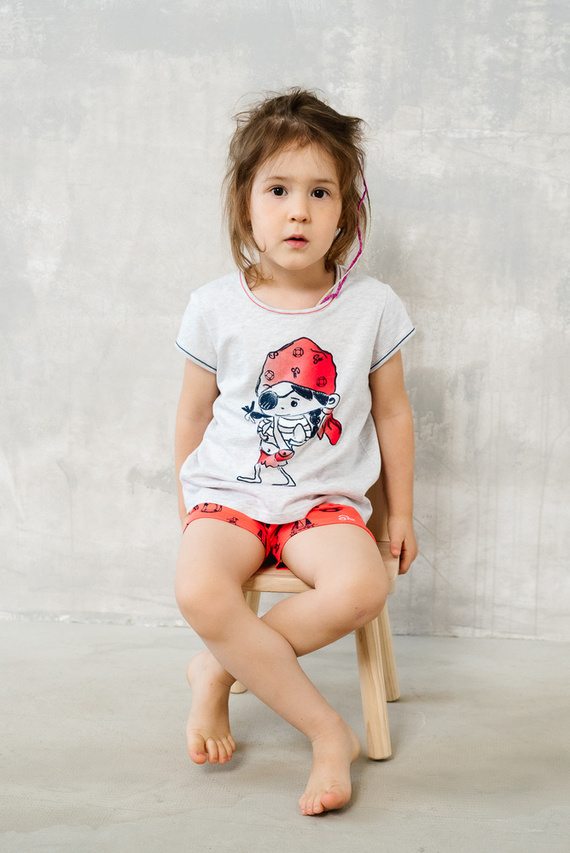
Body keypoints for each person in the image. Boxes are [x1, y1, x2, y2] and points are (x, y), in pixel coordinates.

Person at [174, 88, 417, 816]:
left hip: (324, 505)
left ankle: (218, 670)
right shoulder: (213, 306)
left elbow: (393, 413)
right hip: (230, 496)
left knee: (362, 587)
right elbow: (192, 414)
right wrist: (187, 505)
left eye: (320, 192)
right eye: (278, 190)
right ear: (244, 203)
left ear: (347, 211)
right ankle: (326, 730)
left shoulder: (372, 306)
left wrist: (402, 512)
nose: (299, 212)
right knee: (199, 591)